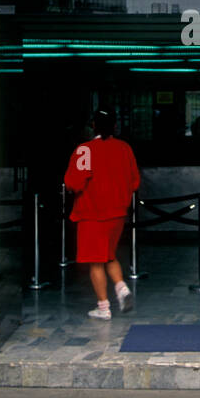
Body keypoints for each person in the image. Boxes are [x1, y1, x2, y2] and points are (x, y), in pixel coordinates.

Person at [63, 109, 141, 320]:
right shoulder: (124, 148)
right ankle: (121, 287)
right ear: (115, 126)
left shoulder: (85, 150)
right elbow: (135, 182)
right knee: (109, 255)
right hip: (117, 214)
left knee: (95, 261)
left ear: (93, 126)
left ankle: (103, 307)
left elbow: (74, 182)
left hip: (92, 214)